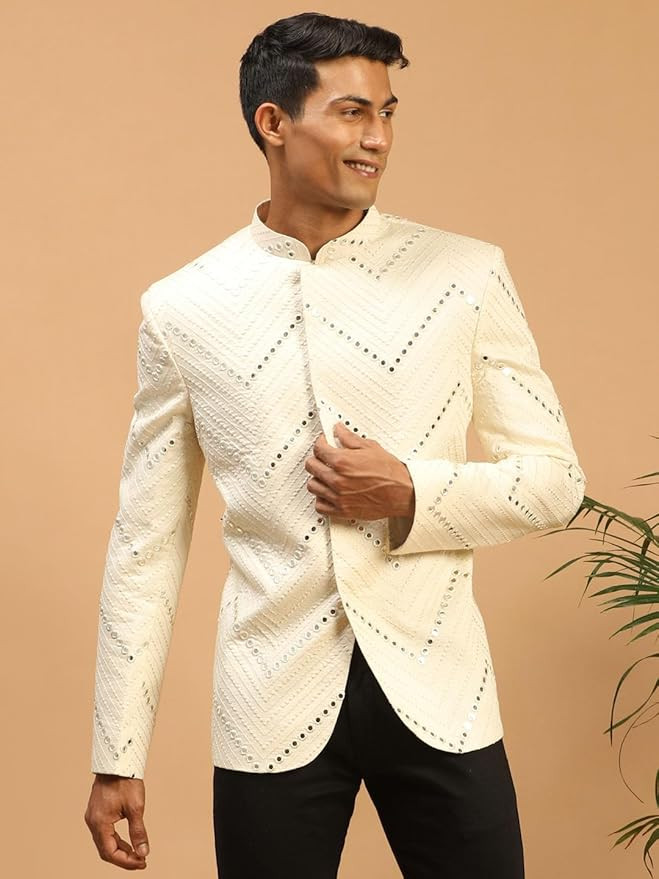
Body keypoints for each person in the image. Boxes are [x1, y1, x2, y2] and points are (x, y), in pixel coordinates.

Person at [84, 11, 586, 878]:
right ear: (272, 122)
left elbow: (555, 481)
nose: (378, 137)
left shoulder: (466, 273)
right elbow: (145, 543)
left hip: (441, 688)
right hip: (267, 701)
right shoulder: (182, 306)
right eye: (352, 112)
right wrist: (116, 751)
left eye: (387, 113)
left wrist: (412, 492)